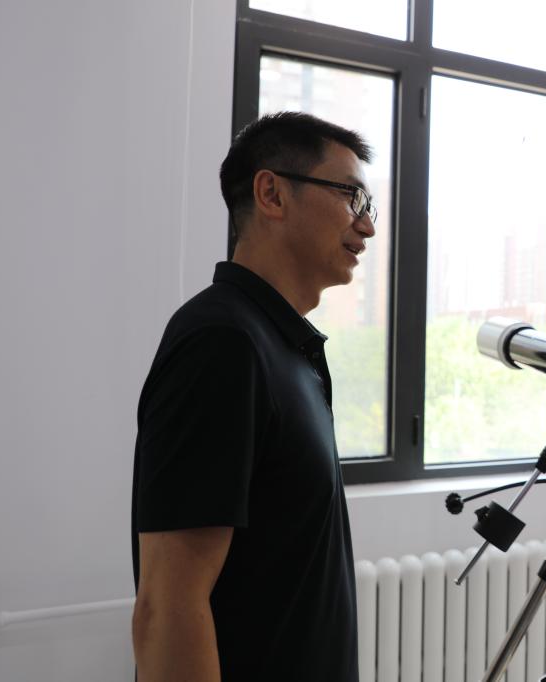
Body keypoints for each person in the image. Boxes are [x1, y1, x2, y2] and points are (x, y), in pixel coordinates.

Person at [130, 111, 376, 681]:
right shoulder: (222, 342)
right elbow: (167, 607)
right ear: (272, 194)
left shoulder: (282, 344)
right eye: (351, 197)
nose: (366, 226)